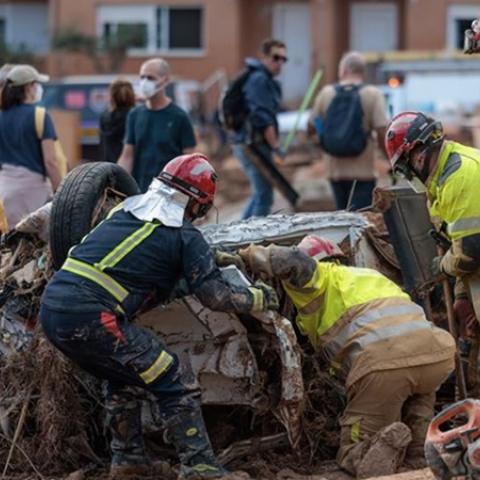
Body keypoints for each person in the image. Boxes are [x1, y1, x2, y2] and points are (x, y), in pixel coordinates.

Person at [39, 153, 279, 479]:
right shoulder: (183, 235)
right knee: (173, 379)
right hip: (93, 317)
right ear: (197, 203)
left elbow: (141, 261)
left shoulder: (123, 212)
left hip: (52, 309)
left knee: (123, 378)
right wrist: (258, 298)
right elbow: (216, 296)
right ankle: (201, 468)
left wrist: (211, 257)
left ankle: (128, 461)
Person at [231, 235, 455, 478]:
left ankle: (372, 459)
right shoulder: (370, 276)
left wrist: (243, 257)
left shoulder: (321, 277)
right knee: (417, 405)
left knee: (353, 451)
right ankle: (417, 457)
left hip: (384, 365)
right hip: (437, 354)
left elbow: (292, 260)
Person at [385, 111, 480, 340]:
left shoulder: (460, 177)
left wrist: (443, 266)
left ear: (417, 155)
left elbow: (469, 251)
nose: (409, 176)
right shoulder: (442, 180)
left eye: (405, 169)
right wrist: (462, 297)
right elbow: (458, 244)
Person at [309, 51, 389, 211]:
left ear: (343, 70)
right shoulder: (373, 94)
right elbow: (382, 129)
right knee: (361, 218)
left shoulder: (326, 93)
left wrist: (323, 145)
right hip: (363, 170)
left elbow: (311, 126)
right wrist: (388, 157)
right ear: (362, 71)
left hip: (335, 169)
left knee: (341, 215)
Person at [117, 58, 196, 193]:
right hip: (139, 194)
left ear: (165, 81)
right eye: (142, 77)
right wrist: (118, 181)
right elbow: (127, 155)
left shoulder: (179, 117)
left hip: (168, 195)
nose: (145, 82)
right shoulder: (135, 115)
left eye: (150, 78)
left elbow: (189, 161)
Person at [0, 64, 61, 229]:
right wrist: (61, 192)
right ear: (28, 87)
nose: (39, 88)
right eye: (37, 84)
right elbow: (51, 161)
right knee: (35, 248)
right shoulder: (40, 115)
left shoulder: (1, 116)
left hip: (5, 190)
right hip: (33, 192)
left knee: (10, 247)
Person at [231, 38, 286, 219]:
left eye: (283, 59)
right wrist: (276, 147)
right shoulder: (259, 80)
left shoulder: (261, 79)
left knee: (260, 192)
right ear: (264, 57)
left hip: (249, 143)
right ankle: (247, 238)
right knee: (264, 194)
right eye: (275, 57)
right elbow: (262, 117)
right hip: (252, 145)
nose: (279, 63)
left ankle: (238, 235)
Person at [100, 79, 136, 163]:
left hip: (108, 166)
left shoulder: (105, 117)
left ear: (111, 97)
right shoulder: (134, 116)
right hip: (130, 167)